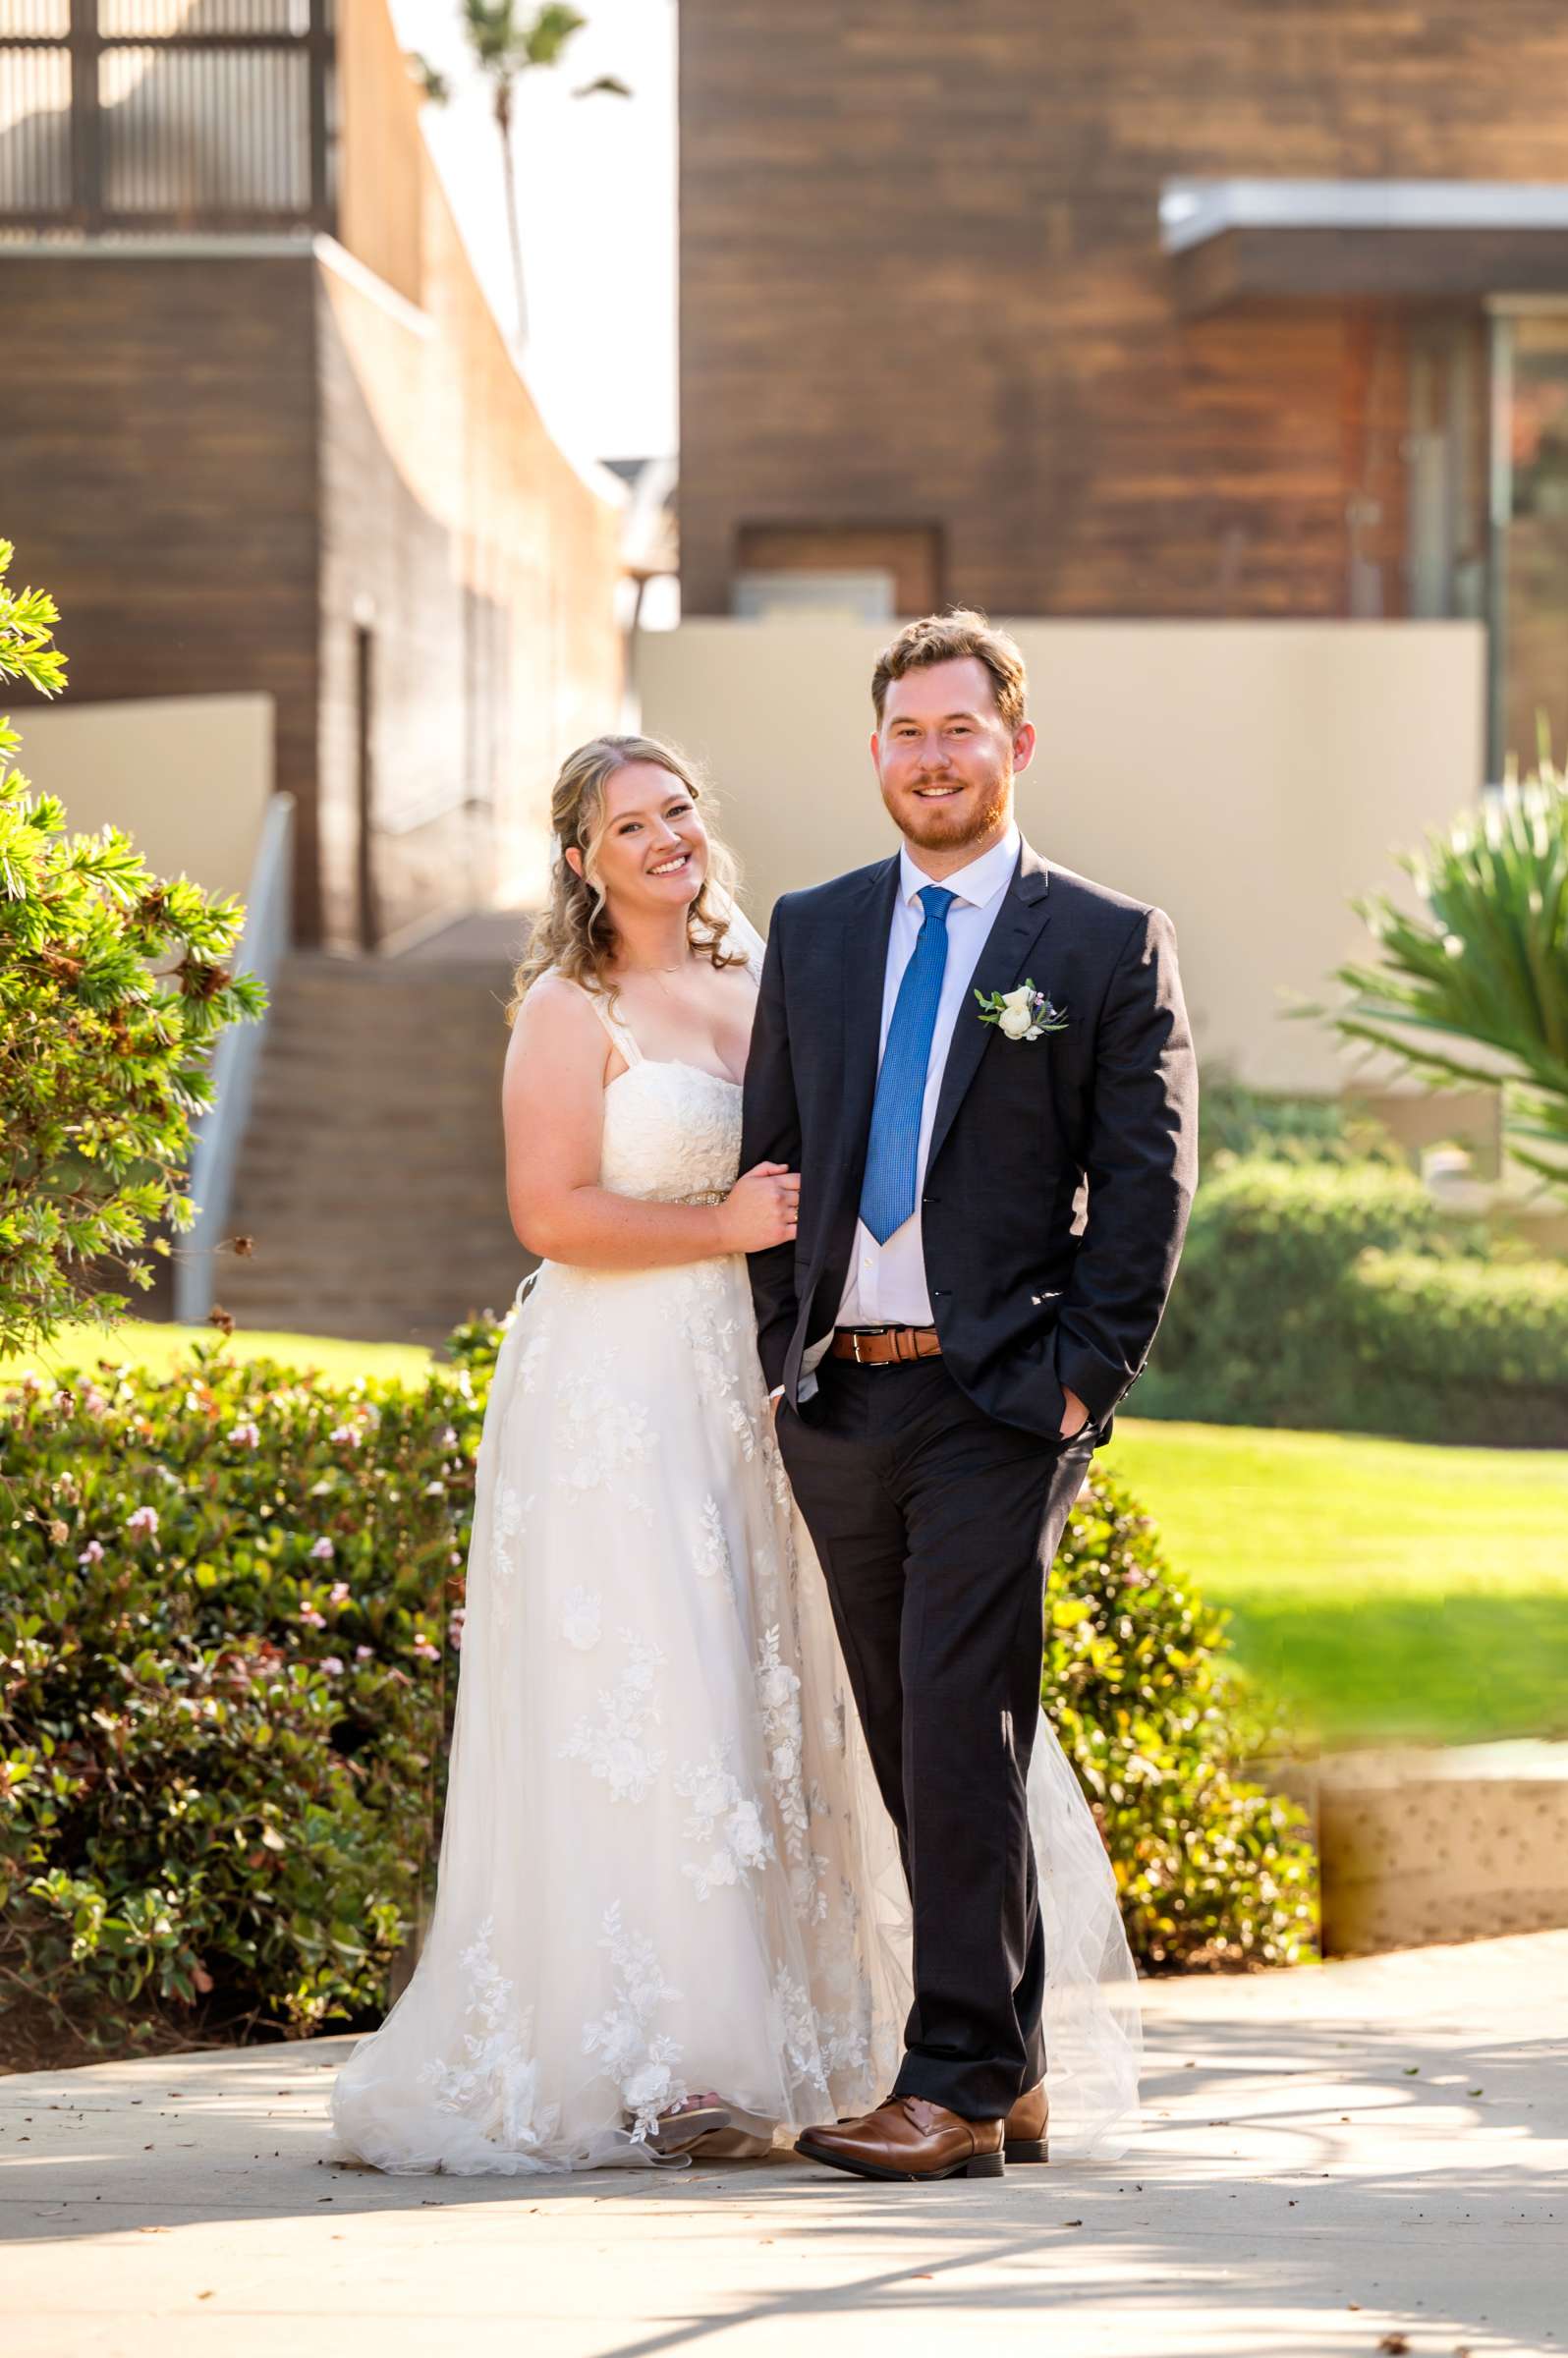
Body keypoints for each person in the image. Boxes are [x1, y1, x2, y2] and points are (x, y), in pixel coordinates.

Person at [329, 727, 1141, 2178]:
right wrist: (722, 1227)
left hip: (773, 1380)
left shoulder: (774, 970)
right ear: (580, 859)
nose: (665, 838)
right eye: (629, 823)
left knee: (799, 1697)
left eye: (680, 809)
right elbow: (548, 1212)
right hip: (617, 1390)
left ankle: (879, 2038)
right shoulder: (568, 1011)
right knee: (656, 1687)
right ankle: (664, 2062)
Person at [743, 610, 1198, 2185]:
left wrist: (1080, 1385)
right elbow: (777, 1165)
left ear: (1016, 741)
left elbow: (1146, 1190)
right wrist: (779, 1360)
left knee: (953, 1722)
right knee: (922, 1735)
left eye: (961, 728)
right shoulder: (812, 928)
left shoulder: (1099, 940)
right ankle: (1011, 2070)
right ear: (877, 753)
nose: (934, 758)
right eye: (908, 733)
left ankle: (946, 2082)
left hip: (1000, 1403)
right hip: (844, 1400)